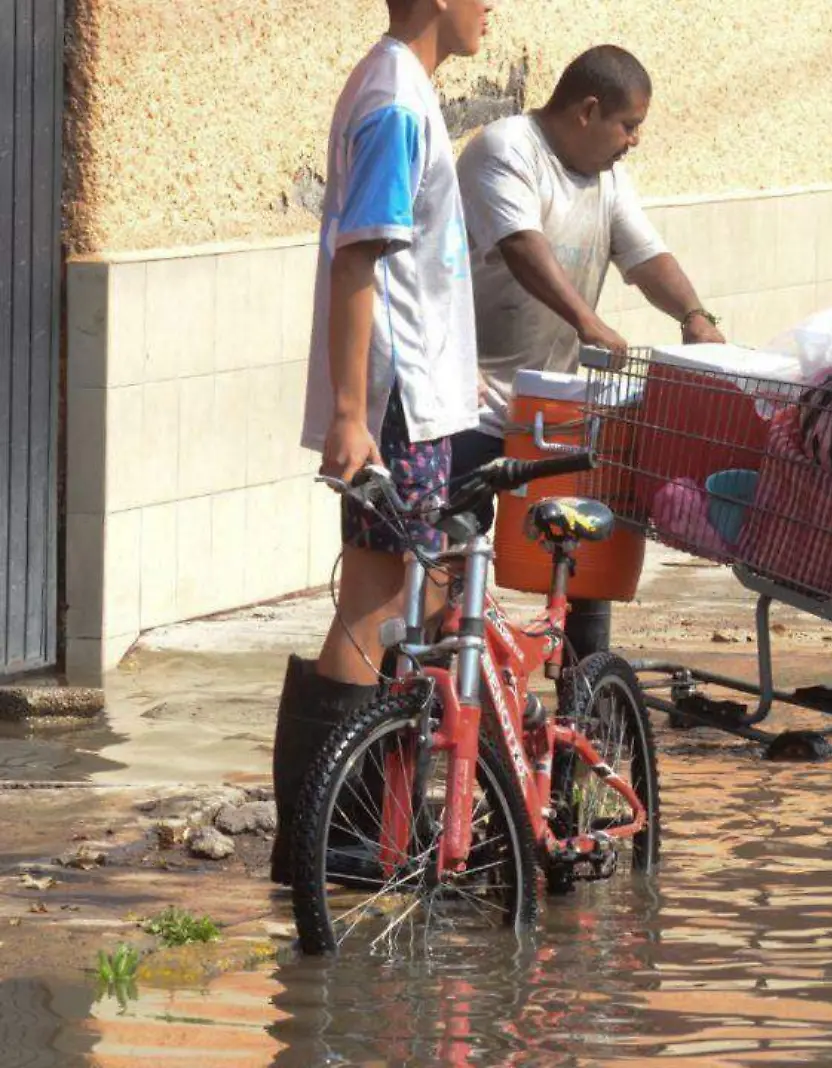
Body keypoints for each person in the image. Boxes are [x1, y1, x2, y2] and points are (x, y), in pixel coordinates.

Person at [272, 0, 494, 884]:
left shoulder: (397, 84)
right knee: (369, 606)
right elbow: (358, 259)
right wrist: (355, 413)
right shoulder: (398, 95)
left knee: (418, 595)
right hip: (396, 406)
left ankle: (363, 822)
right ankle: (333, 837)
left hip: (420, 396)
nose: (492, 10)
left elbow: (406, 263)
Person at [452, 44, 725, 661]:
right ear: (588, 111)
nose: (634, 141)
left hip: (552, 404)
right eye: (629, 126)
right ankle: (438, 710)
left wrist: (695, 316)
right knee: (453, 558)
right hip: (470, 399)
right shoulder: (506, 151)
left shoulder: (608, 177)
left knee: (584, 558)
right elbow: (521, 246)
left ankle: (580, 707)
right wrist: (588, 322)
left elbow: (645, 256)